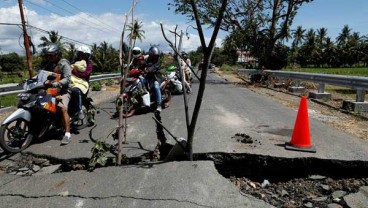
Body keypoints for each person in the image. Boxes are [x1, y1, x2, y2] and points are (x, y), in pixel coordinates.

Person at [43, 43, 72, 145]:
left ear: (57, 54)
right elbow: (42, 74)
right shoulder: (49, 64)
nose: (49, 57)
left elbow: (67, 79)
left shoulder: (64, 64)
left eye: (52, 55)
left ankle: (67, 133)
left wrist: (58, 83)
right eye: (48, 55)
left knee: (63, 108)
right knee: (41, 104)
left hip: (64, 90)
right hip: (52, 89)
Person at [70, 45, 93, 120]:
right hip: (72, 81)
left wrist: (73, 70)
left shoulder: (89, 64)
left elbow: (85, 74)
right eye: (81, 54)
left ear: (87, 56)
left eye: (84, 55)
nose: (82, 57)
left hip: (83, 83)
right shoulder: (74, 62)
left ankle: (79, 110)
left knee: (75, 90)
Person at [144, 46, 163, 112]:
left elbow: (154, 68)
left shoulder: (158, 61)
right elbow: (142, 64)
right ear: (151, 54)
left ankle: (159, 105)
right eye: (154, 55)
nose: (156, 57)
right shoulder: (147, 59)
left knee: (156, 86)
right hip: (148, 77)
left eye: (156, 55)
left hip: (157, 78)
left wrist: (148, 70)